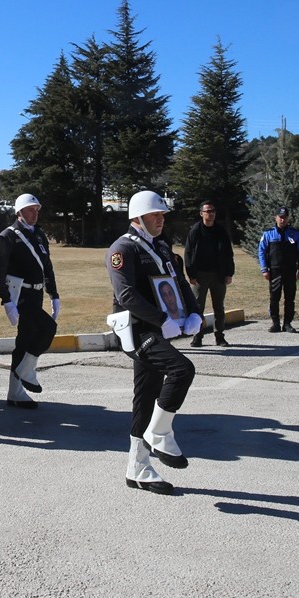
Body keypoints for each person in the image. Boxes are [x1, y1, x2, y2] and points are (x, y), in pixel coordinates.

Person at [106, 191, 200, 495]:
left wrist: (194, 312)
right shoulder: (122, 249)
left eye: (162, 215)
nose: (160, 219)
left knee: (146, 396)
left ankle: (138, 468)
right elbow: (126, 296)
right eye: (154, 215)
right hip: (137, 330)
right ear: (137, 218)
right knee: (182, 369)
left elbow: (179, 282)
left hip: (157, 328)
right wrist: (163, 320)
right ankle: (159, 433)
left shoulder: (160, 246)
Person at [0, 193, 59, 409]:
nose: (35, 213)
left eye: (37, 210)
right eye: (31, 210)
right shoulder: (8, 235)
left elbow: (46, 267)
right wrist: (6, 300)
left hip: (36, 294)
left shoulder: (38, 235)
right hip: (20, 295)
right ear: (19, 212)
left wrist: (54, 294)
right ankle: (27, 371)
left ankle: (15, 392)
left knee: (24, 340)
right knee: (48, 328)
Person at [184, 200, 235, 347]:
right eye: (207, 211)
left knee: (219, 307)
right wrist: (191, 274)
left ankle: (219, 336)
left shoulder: (221, 231)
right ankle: (197, 337)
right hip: (200, 276)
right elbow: (188, 253)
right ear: (201, 214)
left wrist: (229, 273)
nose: (211, 214)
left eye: (213, 211)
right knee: (197, 308)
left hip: (218, 275)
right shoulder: (195, 231)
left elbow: (228, 254)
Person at [257, 207, 299, 333]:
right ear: (276, 218)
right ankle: (275, 323)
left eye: (284, 217)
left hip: (290, 271)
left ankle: (287, 324)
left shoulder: (295, 234)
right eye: (280, 217)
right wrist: (264, 269)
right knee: (274, 297)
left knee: (290, 298)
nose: (282, 219)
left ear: (288, 218)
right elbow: (261, 251)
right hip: (274, 271)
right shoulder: (268, 234)